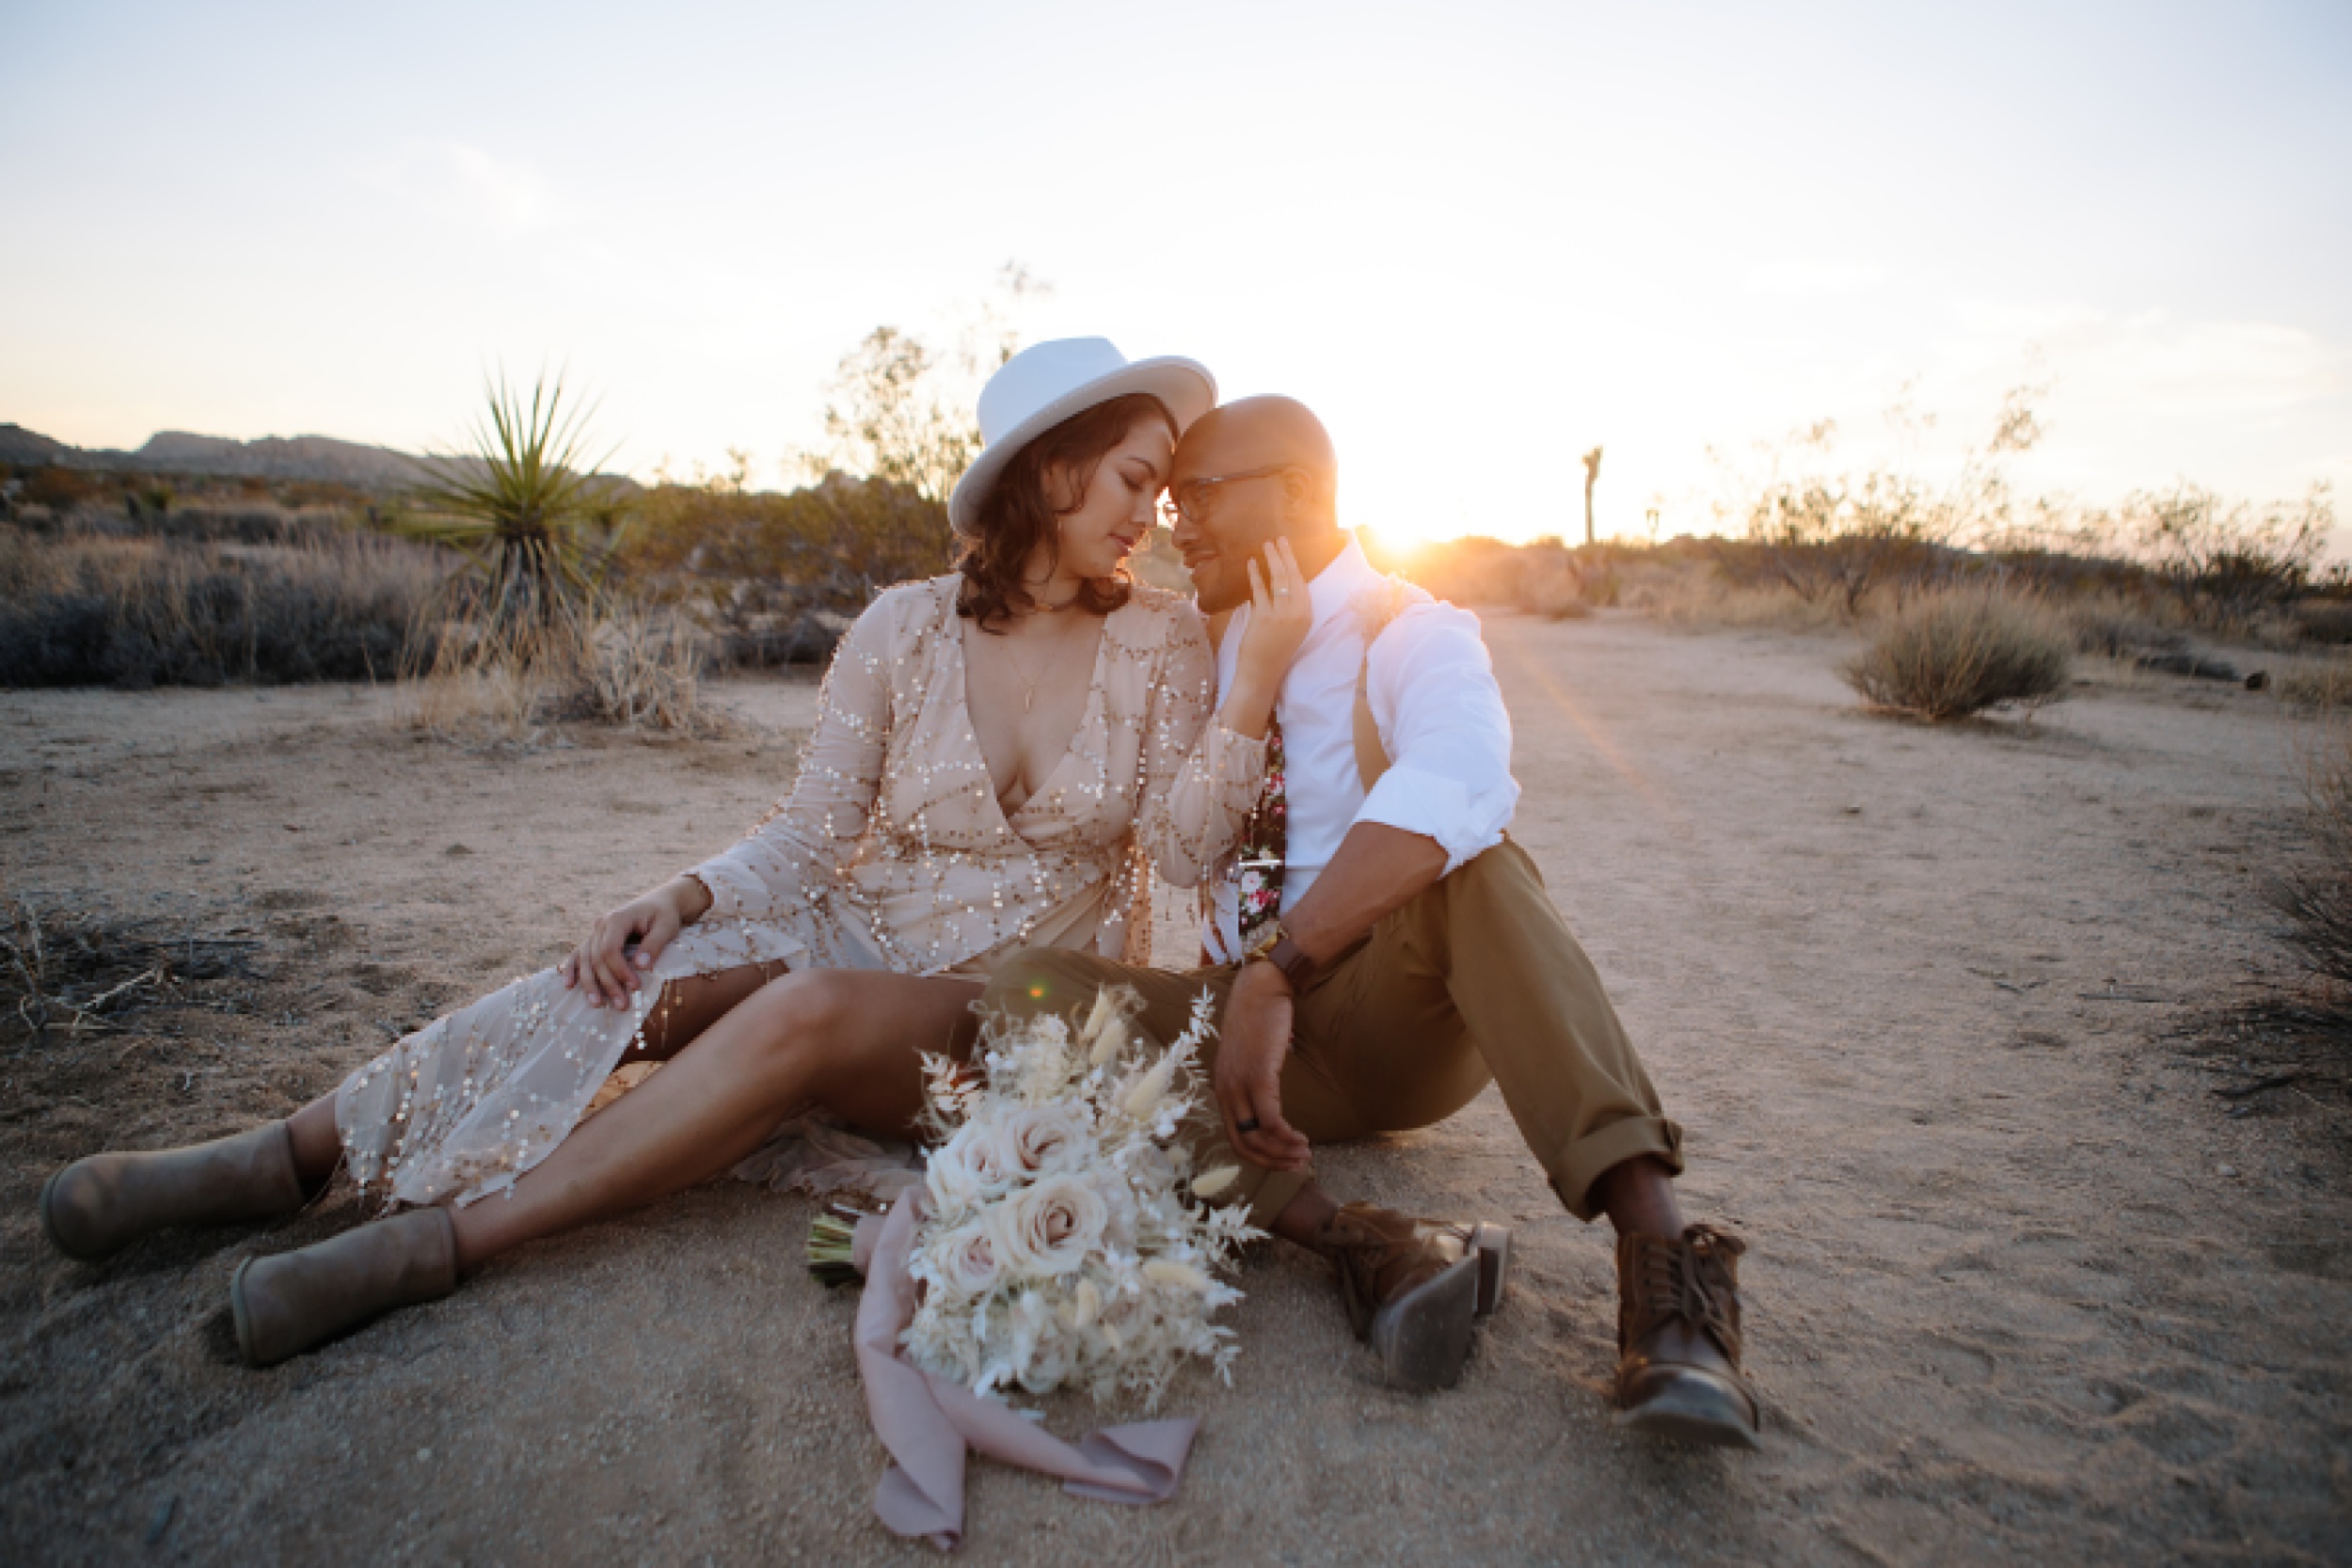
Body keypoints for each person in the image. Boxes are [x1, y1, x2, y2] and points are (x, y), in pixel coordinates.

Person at [37, 338, 1313, 1367]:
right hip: (854, 939)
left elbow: (1190, 855)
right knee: (634, 981)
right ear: (1049, 472)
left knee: (805, 1004)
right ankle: (291, 1152)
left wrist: (1249, 689)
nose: (1156, 508)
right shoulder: (901, 629)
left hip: (1015, 1011)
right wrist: (682, 892)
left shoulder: (1167, 646)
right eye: (1137, 475)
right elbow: (815, 837)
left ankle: (449, 1243)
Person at [979, 395, 1761, 1447]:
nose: (1177, 524)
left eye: (1199, 495)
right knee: (1028, 987)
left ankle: (1667, 1271)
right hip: (1238, 1050)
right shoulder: (1191, 647)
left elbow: (1459, 775)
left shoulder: (1413, 628)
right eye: (1165, 502)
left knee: (1472, 864)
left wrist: (1279, 968)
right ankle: (1373, 1239)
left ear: (1296, 491)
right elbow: (1169, 841)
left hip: (1386, 1014)